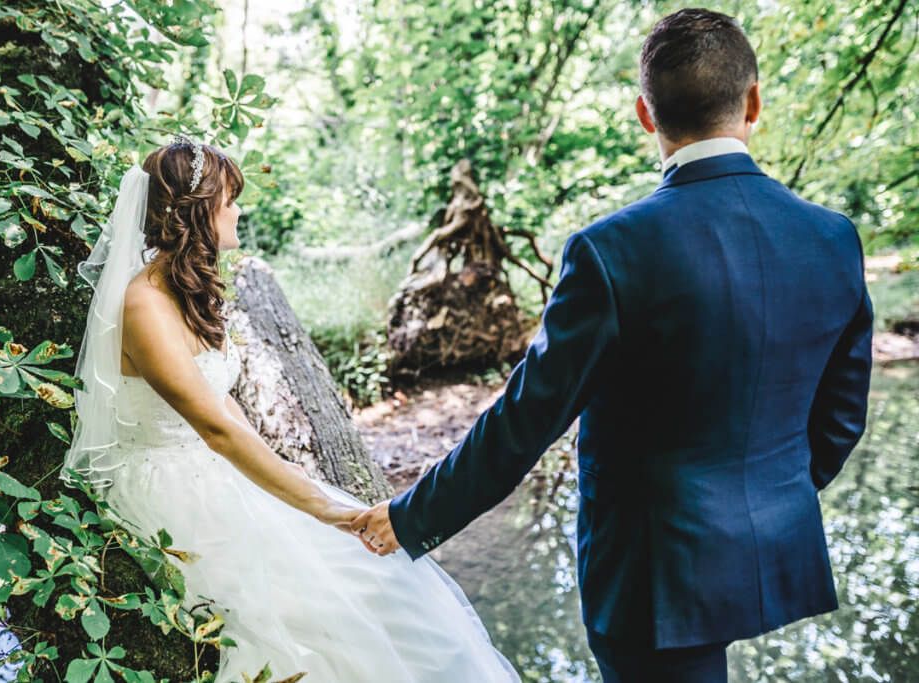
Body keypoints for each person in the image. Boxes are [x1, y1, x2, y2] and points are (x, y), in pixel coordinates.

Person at [351, 8, 874, 683]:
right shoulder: (833, 237)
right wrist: (775, 495)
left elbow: (524, 423)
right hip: (772, 546)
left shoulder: (612, 251)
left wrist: (409, 516)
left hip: (651, 578)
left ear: (645, 115)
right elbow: (840, 419)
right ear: (753, 102)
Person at [59, 135, 521, 682]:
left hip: (216, 471)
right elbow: (213, 428)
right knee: (311, 614)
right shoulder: (144, 304)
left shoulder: (183, 291)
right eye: (228, 199)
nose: (237, 210)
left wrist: (300, 483)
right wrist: (322, 507)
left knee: (381, 589)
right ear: (197, 210)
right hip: (170, 486)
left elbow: (226, 408)